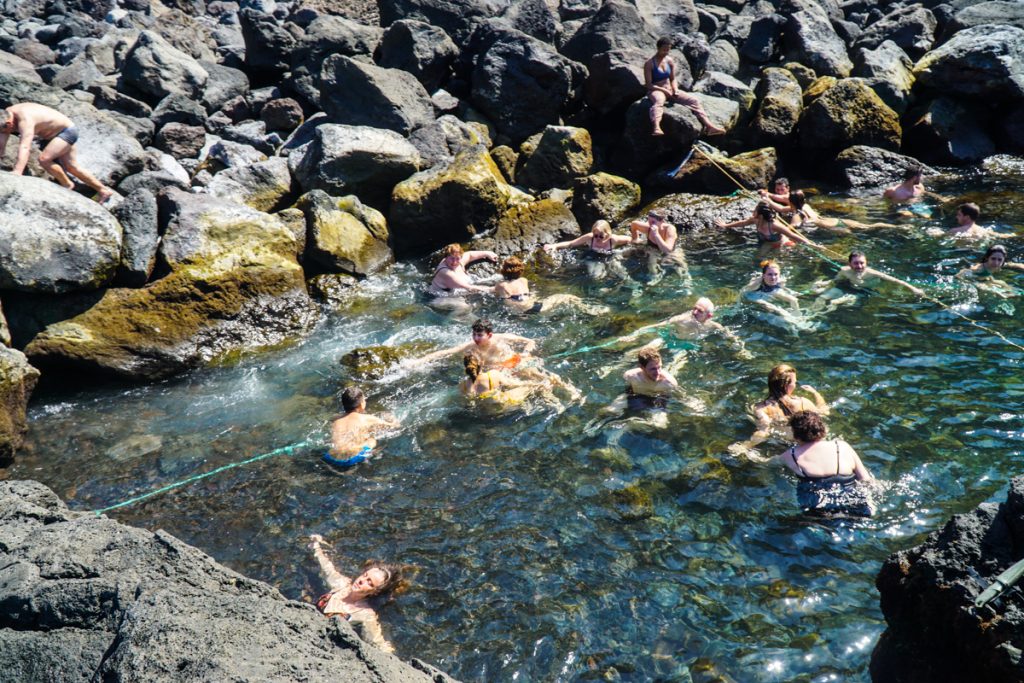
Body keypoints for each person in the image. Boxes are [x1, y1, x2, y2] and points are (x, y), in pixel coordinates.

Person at [309, 534, 406, 653]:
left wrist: (390, 653)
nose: (361, 581)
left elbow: (378, 643)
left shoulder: (366, 614)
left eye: (369, 583)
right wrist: (317, 545)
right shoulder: (341, 584)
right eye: (365, 576)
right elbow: (326, 566)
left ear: (375, 592)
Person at [0, 102, 114, 202]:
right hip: (57, 133)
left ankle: (67, 185)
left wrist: (17, 172)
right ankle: (103, 190)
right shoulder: (6, 114)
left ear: (9, 124)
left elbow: (25, 146)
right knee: (72, 166)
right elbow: (1, 142)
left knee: (44, 159)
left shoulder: (25, 120)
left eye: (5, 130)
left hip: (67, 131)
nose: (7, 133)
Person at [778, 411, 875, 517]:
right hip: (855, 501)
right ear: (822, 429)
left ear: (795, 435)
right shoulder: (842, 446)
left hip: (817, 506)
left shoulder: (789, 455)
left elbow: (767, 463)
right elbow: (866, 479)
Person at [615, 296, 750, 370]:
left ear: (709, 316)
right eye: (694, 308)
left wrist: (742, 349)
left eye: (700, 311)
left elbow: (730, 335)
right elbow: (657, 326)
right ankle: (616, 366)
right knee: (640, 352)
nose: (694, 312)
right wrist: (634, 335)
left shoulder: (713, 326)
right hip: (669, 339)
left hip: (685, 347)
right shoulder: (682, 319)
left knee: (673, 368)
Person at [733, 363, 829, 452]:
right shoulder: (803, 402)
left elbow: (763, 431)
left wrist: (747, 445)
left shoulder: (760, 408)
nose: (795, 385)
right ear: (787, 385)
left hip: (781, 443)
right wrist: (816, 393)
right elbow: (824, 412)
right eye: (794, 382)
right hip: (807, 440)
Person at [645, 36, 725, 137]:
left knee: (694, 101)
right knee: (659, 101)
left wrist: (675, 89)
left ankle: (709, 127)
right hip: (656, 90)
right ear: (658, 48)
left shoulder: (669, 61)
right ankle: (656, 127)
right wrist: (663, 91)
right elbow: (649, 84)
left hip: (670, 89)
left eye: (668, 49)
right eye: (664, 49)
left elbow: (672, 79)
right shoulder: (649, 63)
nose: (666, 52)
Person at [408, 318, 537, 372]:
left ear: (489, 335)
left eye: (480, 335)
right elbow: (446, 352)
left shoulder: (503, 338)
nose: (476, 338)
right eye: (474, 334)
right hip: (497, 372)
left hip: (514, 362)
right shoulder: (471, 346)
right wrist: (419, 361)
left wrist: (526, 353)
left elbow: (530, 341)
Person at [493, 256, 609, 315]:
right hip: (535, 307)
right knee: (566, 297)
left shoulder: (501, 285)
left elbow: (493, 292)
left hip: (521, 312)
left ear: (504, 270)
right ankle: (591, 310)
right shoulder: (524, 280)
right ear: (520, 270)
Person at [815, 251, 924, 306]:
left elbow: (897, 281)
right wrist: (825, 284)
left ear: (866, 263)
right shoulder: (845, 270)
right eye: (856, 263)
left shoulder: (872, 273)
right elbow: (836, 280)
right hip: (853, 287)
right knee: (822, 296)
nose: (860, 266)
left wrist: (914, 289)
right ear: (850, 263)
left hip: (870, 291)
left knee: (838, 303)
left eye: (862, 263)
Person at [324, 387, 399, 467]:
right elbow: (394, 426)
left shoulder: (336, 418)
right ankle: (372, 455)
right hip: (351, 459)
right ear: (361, 405)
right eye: (364, 400)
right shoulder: (367, 418)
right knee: (371, 439)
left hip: (330, 457)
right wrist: (392, 418)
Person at [715, 201, 820, 255]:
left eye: (755, 210)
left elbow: (792, 235)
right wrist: (726, 225)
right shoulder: (755, 220)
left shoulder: (774, 225)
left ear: (760, 215)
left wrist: (810, 244)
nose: (753, 212)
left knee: (783, 258)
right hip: (767, 243)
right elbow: (742, 223)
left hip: (781, 243)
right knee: (759, 259)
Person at [543, 220, 632, 279]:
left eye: (601, 236)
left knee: (623, 275)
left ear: (607, 233)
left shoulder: (613, 239)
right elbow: (571, 243)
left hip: (610, 257)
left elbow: (630, 239)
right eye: (595, 235)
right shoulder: (589, 237)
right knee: (595, 276)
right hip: (593, 258)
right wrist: (555, 245)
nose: (597, 238)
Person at [629, 209, 691, 284]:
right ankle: (653, 280)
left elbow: (667, 250)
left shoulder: (669, 229)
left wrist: (656, 234)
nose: (650, 224)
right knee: (651, 265)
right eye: (648, 221)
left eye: (653, 222)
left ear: (662, 221)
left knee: (680, 265)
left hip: (672, 251)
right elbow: (634, 224)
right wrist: (635, 239)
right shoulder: (648, 227)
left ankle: (687, 281)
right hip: (653, 250)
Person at [427, 243, 497, 298]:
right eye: (451, 258)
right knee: (464, 307)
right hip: (439, 297)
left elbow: (469, 254)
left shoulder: (459, 261)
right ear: (445, 258)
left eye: (457, 258)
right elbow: (469, 288)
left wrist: (487, 253)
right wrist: (493, 289)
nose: (454, 262)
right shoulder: (446, 272)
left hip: (455, 290)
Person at [956, 244, 1024, 297]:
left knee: (1005, 285)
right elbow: (961, 273)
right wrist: (973, 284)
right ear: (987, 258)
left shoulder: (1000, 264)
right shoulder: (979, 268)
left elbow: (1016, 265)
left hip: (988, 278)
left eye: (999, 260)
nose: (996, 262)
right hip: (977, 281)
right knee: (992, 290)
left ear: (1003, 260)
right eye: (993, 258)